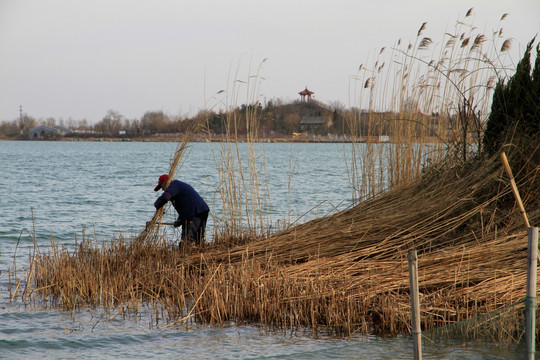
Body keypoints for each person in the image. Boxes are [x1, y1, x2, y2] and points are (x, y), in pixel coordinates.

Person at [153, 174, 209, 245]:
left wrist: (156, 205)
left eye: (161, 186)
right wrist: (180, 220)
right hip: (202, 210)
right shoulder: (179, 185)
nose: (162, 189)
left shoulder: (173, 185)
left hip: (194, 213)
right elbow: (186, 205)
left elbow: (165, 197)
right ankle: (197, 251)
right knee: (198, 239)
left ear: (165, 182)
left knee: (187, 240)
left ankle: (186, 254)